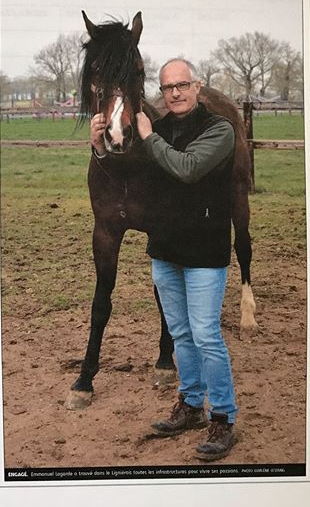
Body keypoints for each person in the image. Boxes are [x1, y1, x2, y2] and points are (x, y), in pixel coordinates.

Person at [135, 58, 238, 462]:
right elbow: (134, 175)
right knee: (180, 333)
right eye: (167, 88)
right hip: (165, 249)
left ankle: (223, 418)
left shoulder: (219, 129)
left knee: (206, 334)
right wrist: (99, 147)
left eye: (181, 85)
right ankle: (191, 405)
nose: (174, 93)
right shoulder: (157, 130)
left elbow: (188, 168)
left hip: (204, 253)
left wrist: (148, 137)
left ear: (197, 86)